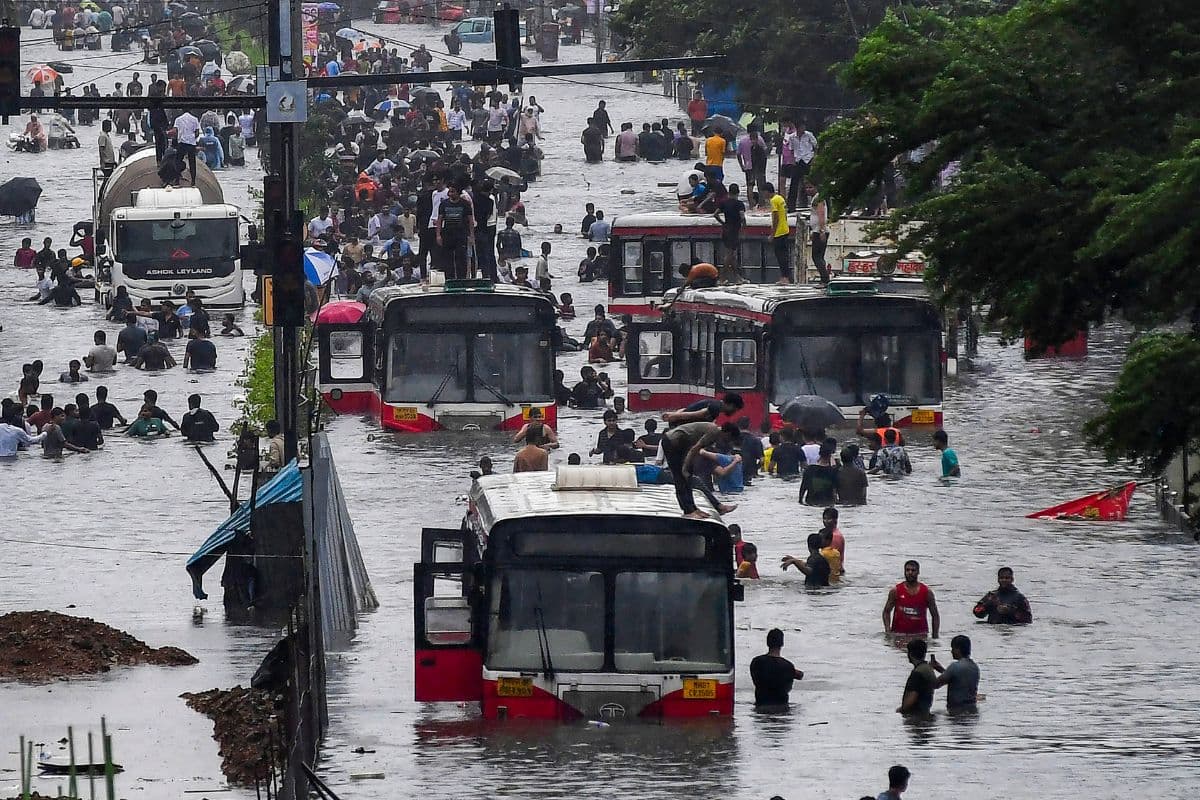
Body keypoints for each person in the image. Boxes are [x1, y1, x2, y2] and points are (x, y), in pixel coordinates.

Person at [660, 421, 740, 518]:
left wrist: (689, 467)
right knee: (680, 477)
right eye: (730, 439)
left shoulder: (714, 435)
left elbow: (695, 449)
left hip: (681, 445)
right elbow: (695, 449)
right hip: (671, 442)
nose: (728, 442)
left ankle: (694, 509)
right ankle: (688, 511)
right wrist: (685, 468)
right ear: (728, 433)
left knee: (688, 477)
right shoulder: (713, 432)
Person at [883, 560, 941, 637]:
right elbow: (886, 612)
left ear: (918, 572)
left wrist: (935, 636)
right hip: (899, 635)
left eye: (913, 570)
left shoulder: (927, 592)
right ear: (904, 572)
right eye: (907, 570)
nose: (910, 572)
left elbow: (935, 615)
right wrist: (888, 631)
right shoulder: (896, 591)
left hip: (920, 635)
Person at [749, 629, 804, 708]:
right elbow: (800, 676)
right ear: (782, 644)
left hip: (760, 705)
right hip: (782, 708)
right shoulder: (787, 666)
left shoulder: (756, 662)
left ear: (767, 643)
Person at [930, 634, 980, 713]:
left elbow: (935, 684)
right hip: (972, 708)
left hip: (956, 710)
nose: (951, 651)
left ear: (958, 649)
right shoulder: (974, 667)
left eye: (952, 648)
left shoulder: (954, 666)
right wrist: (941, 669)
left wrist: (930, 669)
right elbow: (957, 678)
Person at [714, 184, 747, 283]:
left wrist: (723, 223)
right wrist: (744, 228)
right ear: (738, 193)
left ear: (729, 192)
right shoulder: (739, 204)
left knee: (732, 255)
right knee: (729, 255)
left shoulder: (724, 203)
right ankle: (722, 278)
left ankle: (737, 278)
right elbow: (742, 217)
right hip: (734, 230)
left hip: (726, 229)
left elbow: (715, 214)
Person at [897, 638, 936, 716]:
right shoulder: (928, 669)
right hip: (925, 713)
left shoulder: (917, 673)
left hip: (916, 717)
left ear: (910, 654)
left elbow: (910, 701)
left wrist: (901, 710)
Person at [765, 183, 793, 284]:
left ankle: (784, 277)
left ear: (767, 192)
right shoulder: (780, 198)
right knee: (784, 255)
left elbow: (775, 218)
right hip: (785, 229)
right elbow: (784, 214)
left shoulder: (773, 200)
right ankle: (786, 276)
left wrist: (772, 234)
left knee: (780, 256)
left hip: (779, 232)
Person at [662, 393, 745, 427]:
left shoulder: (714, 403)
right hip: (678, 427)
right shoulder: (715, 408)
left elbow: (686, 409)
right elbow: (695, 414)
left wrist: (674, 413)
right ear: (730, 405)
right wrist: (672, 416)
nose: (734, 412)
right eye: (735, 409)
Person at [798, 438, 839, 505]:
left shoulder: (809, 469)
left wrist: (800, 501)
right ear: (830, 455)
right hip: (827, 502)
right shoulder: (833, 472)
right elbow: (834, 492)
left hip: (811, 502)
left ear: (819, 453)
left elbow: (803, 489)